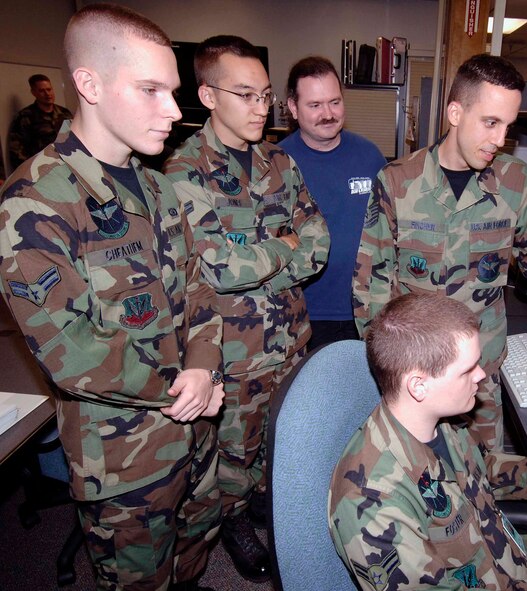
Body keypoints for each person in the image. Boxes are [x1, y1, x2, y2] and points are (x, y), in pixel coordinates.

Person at [0, 5, 224, 591]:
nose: (173, 111)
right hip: (125, 460)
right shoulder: (35, 202)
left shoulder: (158, 187)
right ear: (90, 85)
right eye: (151, 90)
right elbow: (72, 352)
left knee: (194, 557)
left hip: (197, 430)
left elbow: (197, 286)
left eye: (173, 92)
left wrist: (204, 366)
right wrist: (188, 384)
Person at [352, 54, 527, 451]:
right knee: (414, 475)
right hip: (415, 373)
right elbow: (371, 282)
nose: (500, 140)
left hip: (479, 371)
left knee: (485, 473)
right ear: (455, 113)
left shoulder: (516, 182)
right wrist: (386, 368)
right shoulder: (398, 181)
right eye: (490, 122)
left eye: (508, 126)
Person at [329, 292, 527, 591]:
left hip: (509, 557)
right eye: (467, 370)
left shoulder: (442, 422)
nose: (480, 375)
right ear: (418, 386)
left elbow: (477, 470)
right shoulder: (371, 502)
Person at [163, 35, 329, 583]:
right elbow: (215, 268)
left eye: (266, 96)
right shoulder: (183, 171)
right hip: (234, 350)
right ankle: (231, 519)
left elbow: (318, 240)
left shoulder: (278, 159)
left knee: (279, 436)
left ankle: (259, 500)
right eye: (246, 95)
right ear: (208, 96)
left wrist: (267, 256)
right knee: (233, 450)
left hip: (290, 336)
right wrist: (284, 247)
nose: (262, 108)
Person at [279, 56, 386, 350]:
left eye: (334, 102)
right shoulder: (276, 164)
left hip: (367, 308)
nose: (328, 114)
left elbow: (390, 230)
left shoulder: (370, 156)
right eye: (315, 105)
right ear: (293, 108)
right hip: (303, 314)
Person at [7, 74, 73, 171]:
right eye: (42, 91)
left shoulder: (64, 113)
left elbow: (75, 139)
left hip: (68, 166)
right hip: (42, 170)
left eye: (49, 89)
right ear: (33, 92)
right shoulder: (25, 117)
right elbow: (16, 152)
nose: (47, 94)